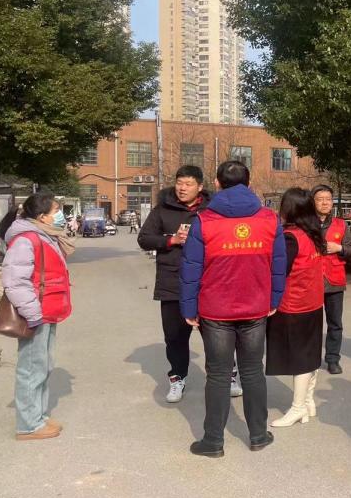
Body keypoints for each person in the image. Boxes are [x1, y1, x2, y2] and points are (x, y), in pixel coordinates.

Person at [180, 161, 287, 457]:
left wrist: (188, 308)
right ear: (249, 184)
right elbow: (279, 264)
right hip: (255, 308)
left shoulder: (204, 220)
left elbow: (191, 268)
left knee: (217, 374)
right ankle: (258, 435)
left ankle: (213, 441)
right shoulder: (269, 219)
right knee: (253, 371)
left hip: (215, 311)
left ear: (216, 183)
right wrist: (274, 300)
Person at [0, 193, 74, 441]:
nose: (60, 215)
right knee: (31, 368)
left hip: (46, 311)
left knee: (42, 366)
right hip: (35, 313)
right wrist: (32, 313)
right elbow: (15, 281)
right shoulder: (26, 239)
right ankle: (29, 425)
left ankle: (38, 416)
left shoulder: (44, 235)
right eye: (56, 211)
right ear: (42, 217)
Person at [137, 165, 214, 403]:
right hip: (172, 282)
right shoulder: (163, 209)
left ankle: (226, 375)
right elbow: (144, 238)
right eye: (179, 183)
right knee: (174, 336)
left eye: (188, 184)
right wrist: (171, 240)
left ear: (200, 187)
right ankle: (178, 377)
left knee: (215, 335)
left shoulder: (212, 209)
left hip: (207, 282)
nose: (182, 188)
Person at [268, 188, 326, 427]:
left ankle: (298, 407)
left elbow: (279, 272)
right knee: (310, 354)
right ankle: (308, 401)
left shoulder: (290, 237)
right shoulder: (313, 234)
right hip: (313, 303)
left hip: (294, 305)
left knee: (300, 358)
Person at [312, 184, 351, 374]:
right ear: (313, 202)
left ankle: (332, 359)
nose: (325, 203)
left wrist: (340, 248)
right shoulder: (306, 224)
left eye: (328, 199)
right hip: (311, 281)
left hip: (334, 281)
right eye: (320, 199)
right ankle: (311, 359)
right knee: (312, 324)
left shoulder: (341, 224)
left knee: (335, 324)